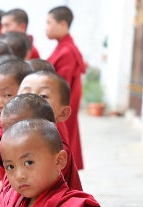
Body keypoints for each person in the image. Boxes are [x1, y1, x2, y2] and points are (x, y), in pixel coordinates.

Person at [46, 5, 86, 170]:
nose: (46, 27)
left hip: (61, 106)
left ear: (62, 24)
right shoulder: (63, 46)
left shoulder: (67, 51)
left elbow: (60, 86)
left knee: (62, 145)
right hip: (63, 105)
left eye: (49, 23)